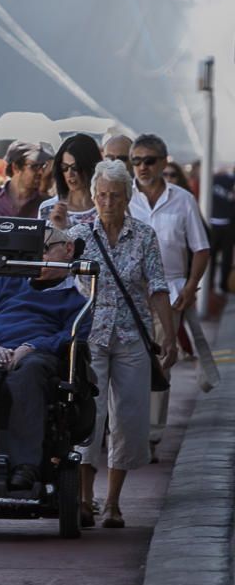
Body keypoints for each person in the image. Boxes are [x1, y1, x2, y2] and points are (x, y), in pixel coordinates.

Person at [70, 160, 176, 528]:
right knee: (89, 418)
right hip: (92, 336)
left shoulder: (143, 236)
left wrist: (170, 338)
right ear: (93, 196)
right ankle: (85, 500)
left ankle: (113, 502)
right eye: (101, 195)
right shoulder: (80, 233)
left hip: (133, 337)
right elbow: (57, 275)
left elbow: (158, 288)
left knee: (129, 421)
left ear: (128, 197)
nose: (108, 202)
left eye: (115, 196)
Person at [0, 227, 92, 491]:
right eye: (32, 250)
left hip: (38, 356)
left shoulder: (75, 300)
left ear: (67, 249)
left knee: (30, 372)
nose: (38, 256)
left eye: (45, 249)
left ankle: (24, 465)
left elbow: (70, 335)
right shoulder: (4, 281)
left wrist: (30, 347)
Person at [127, 134, 209, 459]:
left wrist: (190, 289)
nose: (142, 167)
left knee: (161, 363)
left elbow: (201, 248)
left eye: (149, 161)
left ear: (163, 162)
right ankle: (125, 430)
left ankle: (150, 436)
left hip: (171, 293)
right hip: (130, 293)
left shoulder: (182, 200)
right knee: (129, 363)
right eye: (136, 161)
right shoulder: (123, 198)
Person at [38, 133, 103, 229]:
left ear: (90, 167)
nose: (70, 173)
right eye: (64, 167)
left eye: (75, 167)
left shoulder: (105, 206)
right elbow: (42, 243)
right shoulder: (48, 208)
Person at [0, 140, 52, 218]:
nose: (41, 172)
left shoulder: (46, 205)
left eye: (43, 166)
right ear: (15, 167)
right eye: (35, 166)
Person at [208, 170, 235, 294]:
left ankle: (211, 285)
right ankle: (222, 285)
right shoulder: (219, 179)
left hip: (216, 222)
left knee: (213, 257)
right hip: (225, 224)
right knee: (225, 257)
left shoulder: (215, 178)